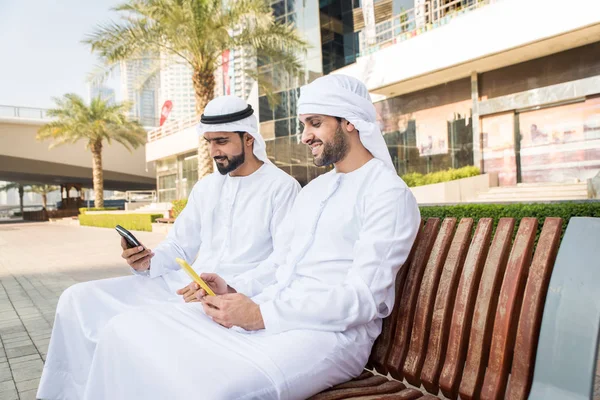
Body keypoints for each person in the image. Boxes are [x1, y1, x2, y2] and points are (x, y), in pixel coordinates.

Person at [49, 75, 421, 400]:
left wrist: (262, 314)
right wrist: (230, 287)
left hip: (329, 337)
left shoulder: (387, 195)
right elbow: (282, 262)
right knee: (126, 330)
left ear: (351, 123)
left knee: (206, 390)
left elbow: (363, 300)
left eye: (315, 123)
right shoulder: (317, 190)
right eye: (304, 123)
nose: (305, 135)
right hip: (271, 310)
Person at [37, 95, 301, 400]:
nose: (214, 150)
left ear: (249, 138)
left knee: (126, 327)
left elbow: (284, 260)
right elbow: (179, 243)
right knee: (77, 298)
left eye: (222, 141)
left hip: (230, 295)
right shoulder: (207, 187)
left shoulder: (282, 188)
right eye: (209, 142)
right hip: (181, 285)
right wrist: (148, 261)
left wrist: (229, 287)